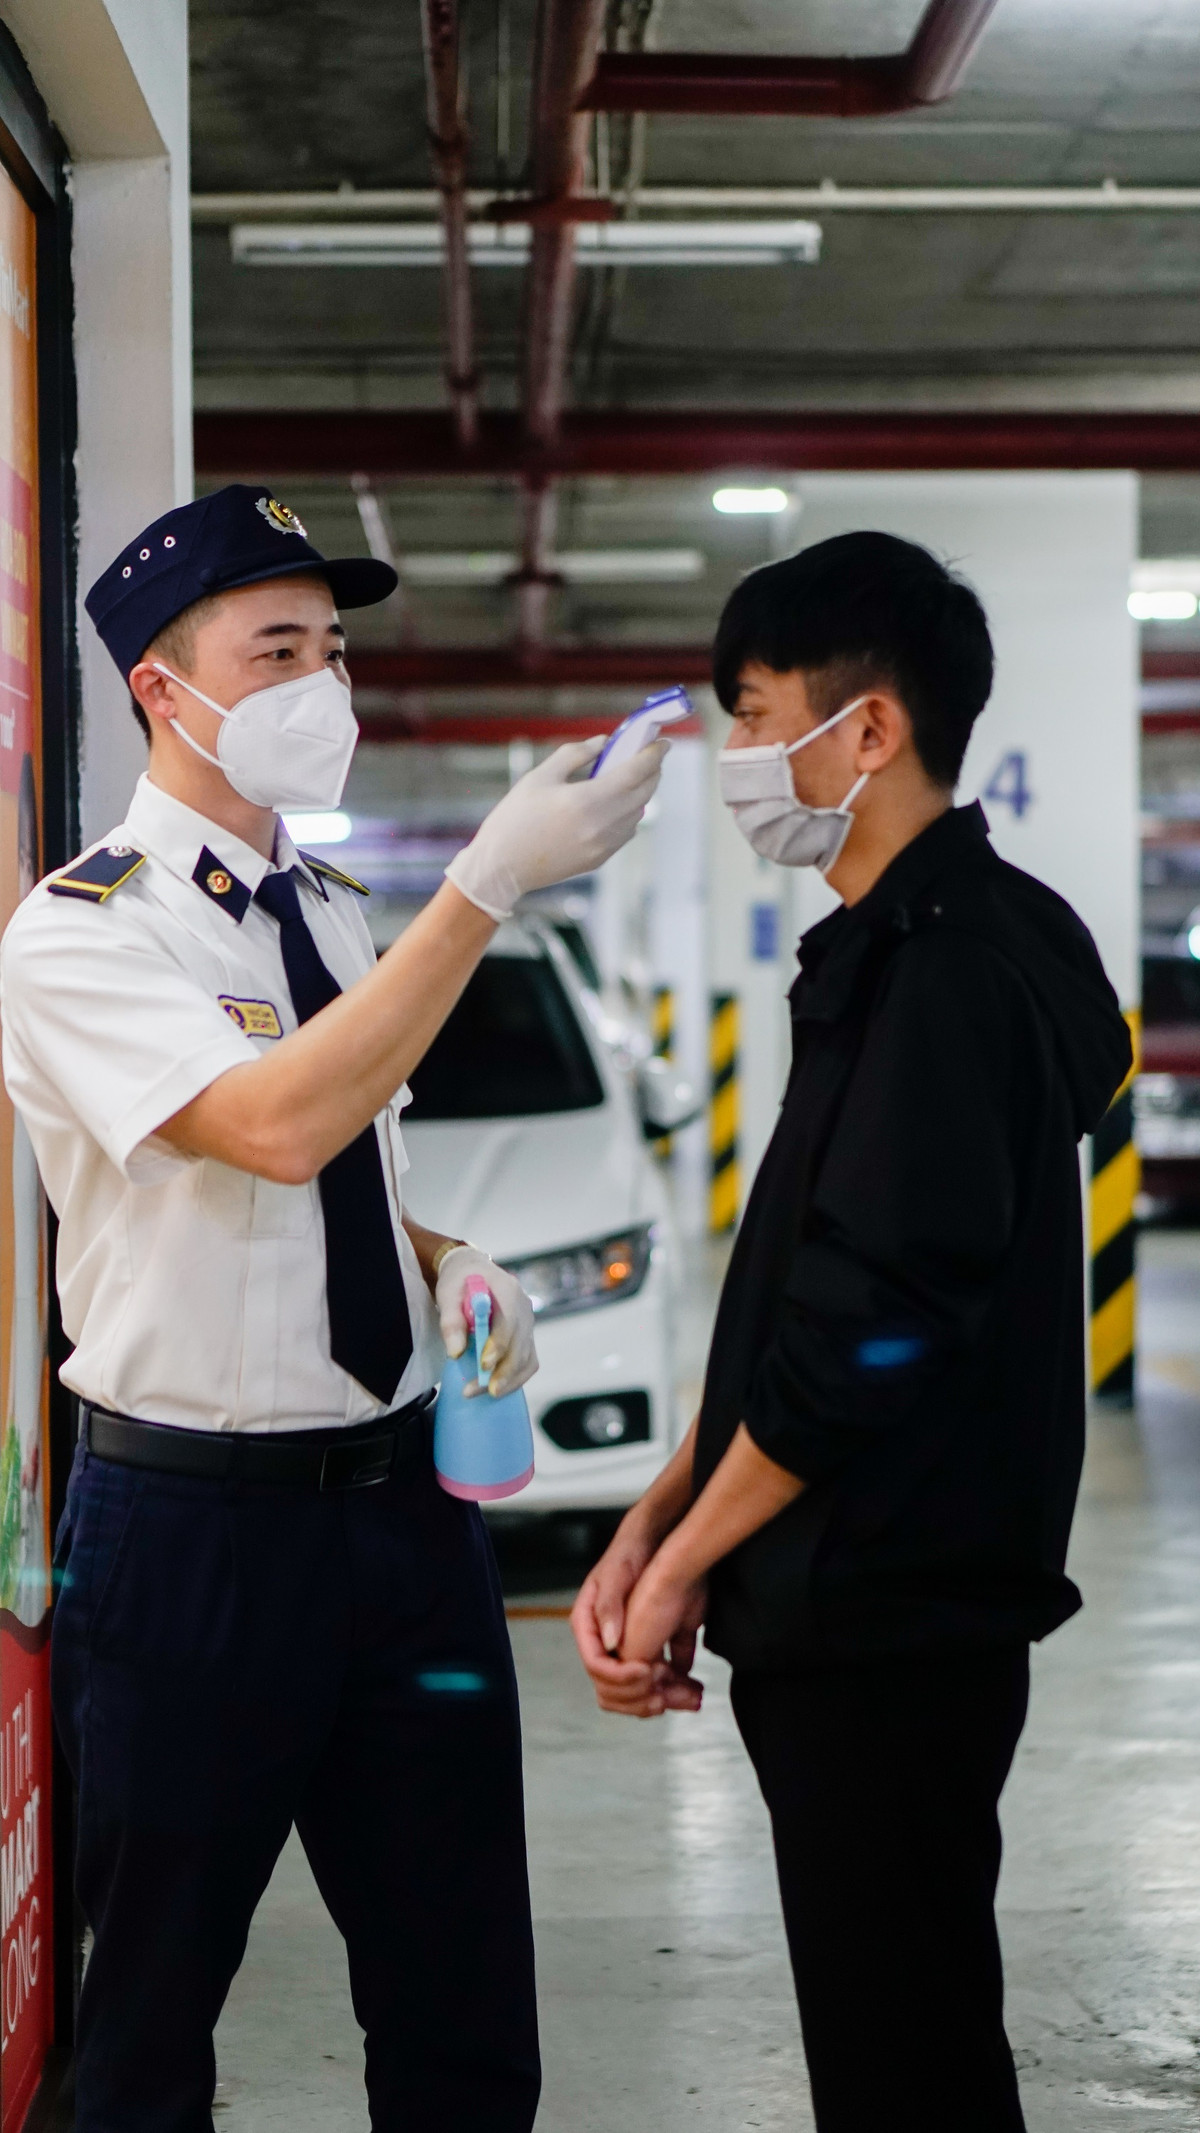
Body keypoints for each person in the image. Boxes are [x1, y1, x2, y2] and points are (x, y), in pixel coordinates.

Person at [0, 483, 665, 2133]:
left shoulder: (334, 912)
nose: (326, 685)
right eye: (277, 647)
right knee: (148, 2024)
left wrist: (444, 1261)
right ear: (165, 687)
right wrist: (490, 884)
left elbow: (340, 1174)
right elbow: (273, 1124)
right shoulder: (84, 933)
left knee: (462, 2018)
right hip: (191, 1546)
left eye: (336, 648)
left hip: (404, 1527)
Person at [571, 531, 1133, 2133]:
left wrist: (681, 1568)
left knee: (906, 2052)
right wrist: (668, 1503)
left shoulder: (945, 971)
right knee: (910, 2019)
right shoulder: (943, 941)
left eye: (755, 718)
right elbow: (814, 1292)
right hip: (890, 1599)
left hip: (886, 1611)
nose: (742, 761)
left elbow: (874, 1332)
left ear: (867, 729)